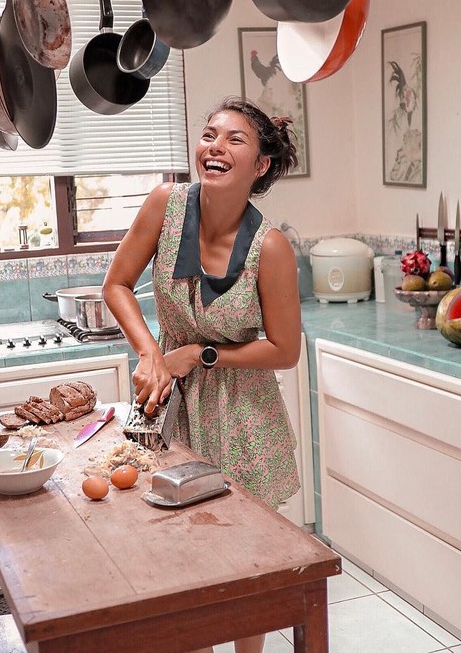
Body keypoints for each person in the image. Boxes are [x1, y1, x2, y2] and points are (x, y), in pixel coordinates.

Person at [103, 95, 302, 653]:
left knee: (244, 565)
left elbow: (285, 350)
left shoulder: (272, 247)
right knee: (179, 554)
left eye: (235, 140)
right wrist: (151, 353)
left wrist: (201, 354)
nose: (215, 147)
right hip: (171, 408)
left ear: (261, 165)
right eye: (210, 134)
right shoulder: (165, 205)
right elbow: (116, 284)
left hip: (244, 419)